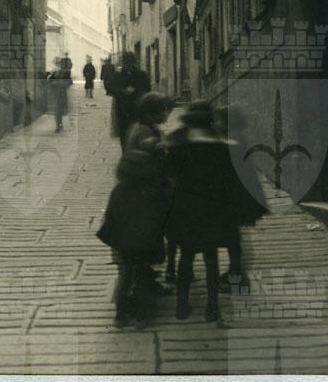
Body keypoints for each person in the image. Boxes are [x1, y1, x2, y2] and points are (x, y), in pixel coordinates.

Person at [165, 100, 264, 324]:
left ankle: (182, 307)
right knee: (211, 259)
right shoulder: (224, 146)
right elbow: (231, 181)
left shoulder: (178, 144)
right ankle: (212, 307)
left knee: (186, 257)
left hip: (186, 209)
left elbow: (168, 174)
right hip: (213, 211)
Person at [97, 92, 173, 329]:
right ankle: (141, 314)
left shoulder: (119, 191)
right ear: (154, 111)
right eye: (164, 110)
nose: (167, 114)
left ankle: (121, 314)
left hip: (121, 239)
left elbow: (110, 219)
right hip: (140, 231)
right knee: (138, 273)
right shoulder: (145, 132)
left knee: (126, 273)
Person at [213, 105, 267, 293]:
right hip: (241, 194)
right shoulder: (237, 137)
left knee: (235, 238)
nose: (216, 123)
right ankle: (235, 273)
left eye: (219, 120)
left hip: (236, 196)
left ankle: (238, 278)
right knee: (236, 236)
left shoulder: (232, 140)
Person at [109, 51, 151, 150]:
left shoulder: (141, 75)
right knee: (125, 134)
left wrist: (135, 91)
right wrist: (123, 91)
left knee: (135, 133)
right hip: (123, 109)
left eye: (130, 62)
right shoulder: (118, 75)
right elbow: (111, 89)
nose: (128, 65)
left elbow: (147, 89)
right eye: (126, 62)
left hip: (136, 109)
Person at [47, 58, 72, 132]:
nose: (58, 65)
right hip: (56, 94)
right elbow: (50, 80)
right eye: (57, 63)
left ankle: (59, 126)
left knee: (59, 110)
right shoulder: (56, 72)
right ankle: (59, 125)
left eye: (59, 63)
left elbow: (69, 82)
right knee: (58, 111)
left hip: (61, 94)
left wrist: (59, 83)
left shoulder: (65, 72)